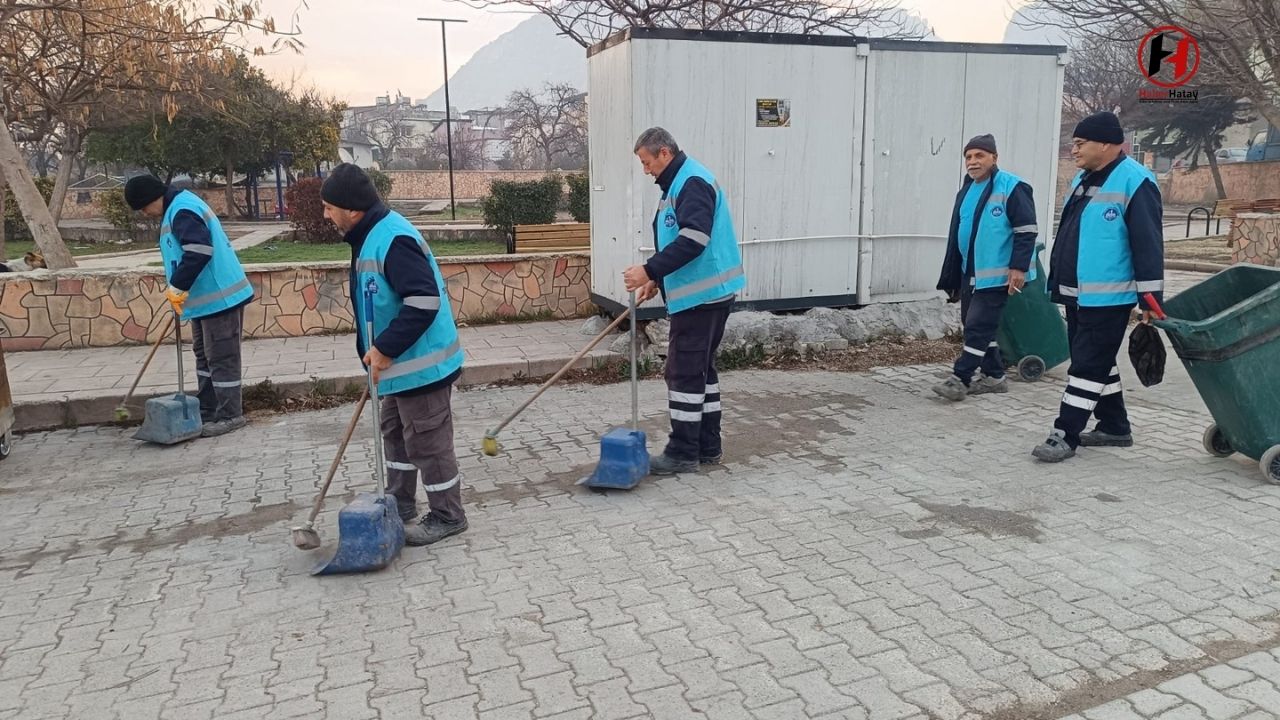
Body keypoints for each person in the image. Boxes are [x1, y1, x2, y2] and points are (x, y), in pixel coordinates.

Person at [320, 163, 468, 545]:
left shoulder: (393, 238)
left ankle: (448, 515)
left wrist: (385, 348)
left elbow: (423, 301)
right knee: (396, 434)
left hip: (424, 366)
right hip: (400, 368)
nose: (325, 214)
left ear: (351, 209)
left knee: (428, 442)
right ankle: (401, 502)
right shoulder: (369, 235)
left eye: (329, 206)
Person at [1032, 111, 1164, 462]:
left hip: (1110, 298)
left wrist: (1150, 299)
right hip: (1078, 293)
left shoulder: (1136, 181)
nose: (1073, 150)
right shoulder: (1083, 178)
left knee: (1087, 365)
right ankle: (1115, 426)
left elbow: (1148, 245)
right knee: (1094, 359)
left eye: (1079, 143)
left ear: (1106, 143)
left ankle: (1065, 433)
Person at [622, 127, 746, 475]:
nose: (646, 170)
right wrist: (658, 280)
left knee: (683, 374)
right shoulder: (680, 182)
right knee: (701, 373)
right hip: (704, 295)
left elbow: (693, 239)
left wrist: (647, 270)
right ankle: (707, 447)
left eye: (647, 162)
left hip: (702, 298)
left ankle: (682, 452)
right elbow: (678, 238)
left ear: (664, 153)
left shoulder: (691, 182)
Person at [125, 175, 253, 437]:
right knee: (204, 355)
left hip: (220, 298)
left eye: (143, 208)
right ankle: (207, 409)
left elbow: (199, 251)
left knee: (221, 357)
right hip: (205, 302)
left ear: (152, 199)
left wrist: (178, 286)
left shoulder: (182, 210)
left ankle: (231, 414)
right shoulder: (176, 207)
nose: (145, 214)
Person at [933, 134, 1039, 401]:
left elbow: (1026, 230)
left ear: (994, 158)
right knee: (975, 325)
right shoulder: (967, 189)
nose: (972, 161)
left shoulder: (1012, 187)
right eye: (968, 157)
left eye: (979, 155)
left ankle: (961, 378)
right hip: (971, 272)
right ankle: (994, 376)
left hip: (998, 275)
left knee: (978, 325)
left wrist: (1018, 267)